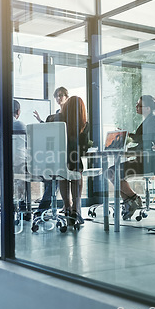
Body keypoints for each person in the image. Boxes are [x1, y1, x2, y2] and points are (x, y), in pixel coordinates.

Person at [106, 95, 155, 220]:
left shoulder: (153, 121)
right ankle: (131, 201)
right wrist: (127, 135)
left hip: (146, 162)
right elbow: (140, 138)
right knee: (111, 172)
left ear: (147, 108)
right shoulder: (149, 120)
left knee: (111, 172)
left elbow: (146, 142)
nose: (136, 107)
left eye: (139, 105)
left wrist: (129, 145)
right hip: (141, 160)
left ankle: (133, 199)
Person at [32, 87, 68, 215]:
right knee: (50, 177)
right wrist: (41, 121)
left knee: (55, 177)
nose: (59, 98)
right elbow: (50, 130)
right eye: (57, 96)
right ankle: (45, 207)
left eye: (61, 95)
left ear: (66, 96)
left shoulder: (69, 113)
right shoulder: (57, 114)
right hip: (54, 152)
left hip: (65, 152)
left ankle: (44, 208)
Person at [59, 96, 90, 225]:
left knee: (63, 173)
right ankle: (76, 209)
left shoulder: (55, 120)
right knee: (77, 168)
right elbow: (83, 150)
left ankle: (67, 206)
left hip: (55, 162)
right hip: (74, 162)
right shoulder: (84, 125)